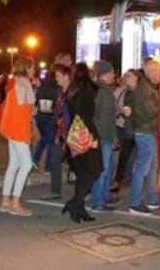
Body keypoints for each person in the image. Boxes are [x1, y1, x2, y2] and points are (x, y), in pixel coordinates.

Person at [62, 62, 102, 223]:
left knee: (83, 171)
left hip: (74, 132)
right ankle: (75, 203)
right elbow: (84, 114)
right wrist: (91, 137)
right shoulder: (86, 90)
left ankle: (79, 210)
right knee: (94, 170)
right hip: (84, 132)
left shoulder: (72, 90)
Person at [0, 57, 36, 217]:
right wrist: (26, 135)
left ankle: (6, 200)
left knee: (14, 165)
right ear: (26, 68)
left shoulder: (16, 84)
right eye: (32, 67)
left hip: (10, 130)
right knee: (26, 165)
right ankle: (15, 202)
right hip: (17, 131)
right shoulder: (23, 86)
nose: (34, 70)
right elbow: (22, 116)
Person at [125, 59, 160, 216]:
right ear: (150, 71)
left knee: (151, 167)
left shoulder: (144, 86)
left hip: (146, 131)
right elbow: (149, 112)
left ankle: (153, 199)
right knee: (143, 168)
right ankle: (135, 203)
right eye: (157, 71)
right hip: (145, 132)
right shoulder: (145, 89)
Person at [32, 52, 72, 174]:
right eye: (69, 61)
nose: (71, 64)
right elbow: (57, 94)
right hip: (51, 113)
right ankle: (48, 166)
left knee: (48, 138)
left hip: (42, 112)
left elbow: (40, 93)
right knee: (50, 139)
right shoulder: (58, 78)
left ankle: (39, 162)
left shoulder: (47, 77)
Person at [90, 60, 121, 211]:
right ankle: (97, 202)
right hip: (101, 136)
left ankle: (104, 197)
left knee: (107, 169)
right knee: (102, 170)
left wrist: (114, 137)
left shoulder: (106, 90)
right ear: (105, 74)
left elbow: (111, 117)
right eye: (111, 73)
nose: (114, 76)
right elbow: (93, 114)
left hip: (107, 135)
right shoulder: (100, 91)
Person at [40, 64, 72, 200]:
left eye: (58, 76)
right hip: (60, 133)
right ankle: (55, 191)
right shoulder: (59, 92)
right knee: (55, 160)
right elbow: (58, 110)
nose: (56, 79)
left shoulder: (74, 92)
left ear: (66, 77)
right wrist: (51, 112)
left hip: (73, 132)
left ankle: (88, 191)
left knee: (79, 164)